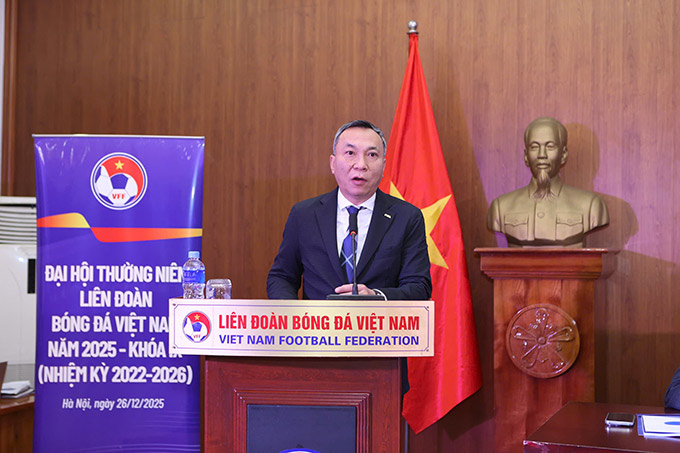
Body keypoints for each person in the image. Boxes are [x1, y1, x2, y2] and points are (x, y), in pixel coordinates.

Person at [267, 120, 432, 300]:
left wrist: (376, 296)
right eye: (350, 153)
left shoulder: (406, 217)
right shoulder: (304, 215)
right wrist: (292, 313)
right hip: (317, 319)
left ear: (384, 165)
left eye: (372, 155)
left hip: (378, 318)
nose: (360, 164)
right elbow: (282, 277)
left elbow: (419, 286)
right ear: (333, 163)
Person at [487, 116, 609, 247]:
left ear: (563, 155)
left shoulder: (591, 206)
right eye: (534, 147)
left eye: (550, 146)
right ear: (526, 156)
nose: (542, 155)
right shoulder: (500, 207)